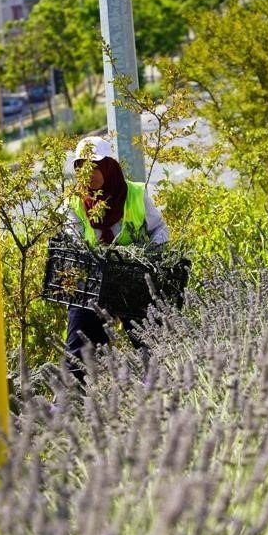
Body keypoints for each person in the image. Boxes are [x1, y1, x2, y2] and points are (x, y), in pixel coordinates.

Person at [64, 137, 170, 375]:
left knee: (153, 347)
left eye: (94, 167)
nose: (87, 174)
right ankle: (67, 401)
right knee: (79, 346)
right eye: (81, 168)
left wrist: (147, 254)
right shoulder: (74, 202)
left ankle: (159, 390)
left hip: (133, 281)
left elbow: (160, 230)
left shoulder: (134, 194)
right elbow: (74, 240)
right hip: (94, 285)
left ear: (109, 166)